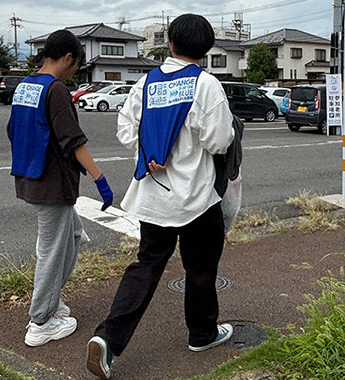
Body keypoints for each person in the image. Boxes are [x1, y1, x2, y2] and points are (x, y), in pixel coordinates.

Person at [86, 14, 235, 379]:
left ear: (170, 44)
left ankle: (108, 339)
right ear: (206, 49)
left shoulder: (146, 84)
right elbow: (218, 141)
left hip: (153, 196)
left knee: (147, 265)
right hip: (197, 198)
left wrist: (151, 149)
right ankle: (202, 333)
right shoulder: (206, 84)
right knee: (200, 268)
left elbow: (125, 130)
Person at [7, 29, 113, 347]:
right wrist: (100, 180)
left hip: (31, 177)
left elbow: (15, 130)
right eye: (75, 67)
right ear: (67, 58)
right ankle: (41, 321)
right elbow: (73, 140)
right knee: (52, 252)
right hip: (53, 185)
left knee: (73, 236)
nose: (73, 74)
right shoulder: (55, 91)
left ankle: (52, 301)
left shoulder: (26, 86)